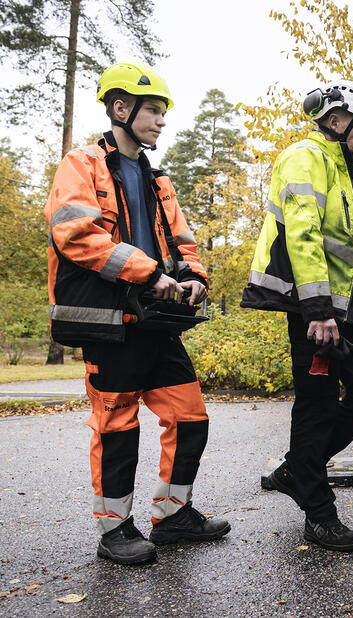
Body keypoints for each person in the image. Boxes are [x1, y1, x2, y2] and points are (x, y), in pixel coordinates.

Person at [44, 61, 231, 564]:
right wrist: (151, 274)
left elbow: (184, 240)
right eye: (153, 110)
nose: (161, 121)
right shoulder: (80, 165)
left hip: (154, 321)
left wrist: (194, 278)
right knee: (117, 426)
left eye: (163, 112)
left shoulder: (158, 179)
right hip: (107, 323)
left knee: (191, 417)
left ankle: (173, 515)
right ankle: (115, 529)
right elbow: (76, 234)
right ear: (120, 108)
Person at [241, 80, 353, 552]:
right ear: (335, 120)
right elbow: (303, 235)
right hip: (315, 310)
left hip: (345, 310)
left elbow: (342, 248)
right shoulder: (306, 156)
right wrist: (318, 310)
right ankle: (318, 515)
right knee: (318, 406)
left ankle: (296, 470)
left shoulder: (343, 166)